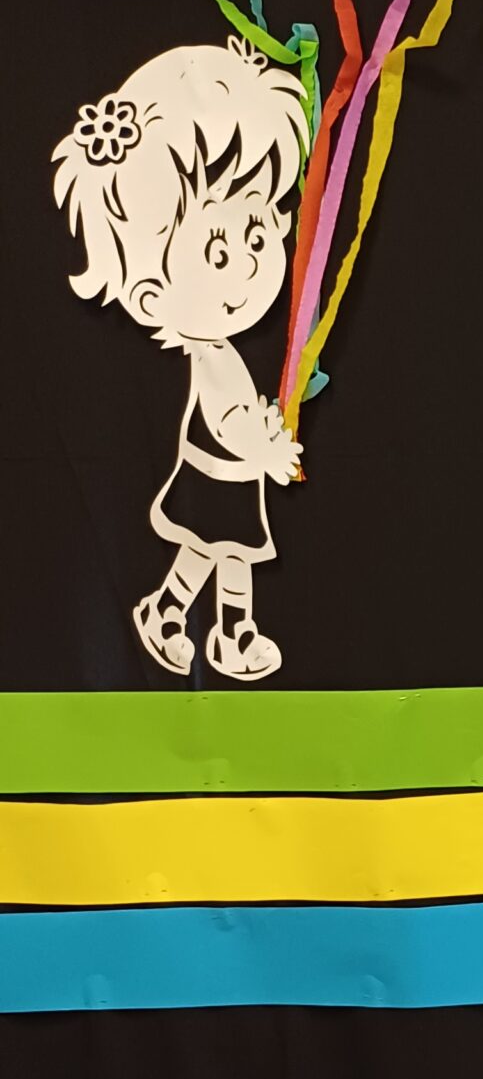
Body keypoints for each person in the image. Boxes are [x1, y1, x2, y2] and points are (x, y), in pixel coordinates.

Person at [53, 39, 311, 679]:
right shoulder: (211, 356)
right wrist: (267, 451)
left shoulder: (220, 350)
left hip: (223, 471)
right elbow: (226, 419)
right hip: (222, 468)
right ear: (149, 294)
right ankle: (226, 631)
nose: (247, 265)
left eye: (257, 231)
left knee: (212, 548)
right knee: (230, 550)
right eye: (217, 252)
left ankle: (175, 614)